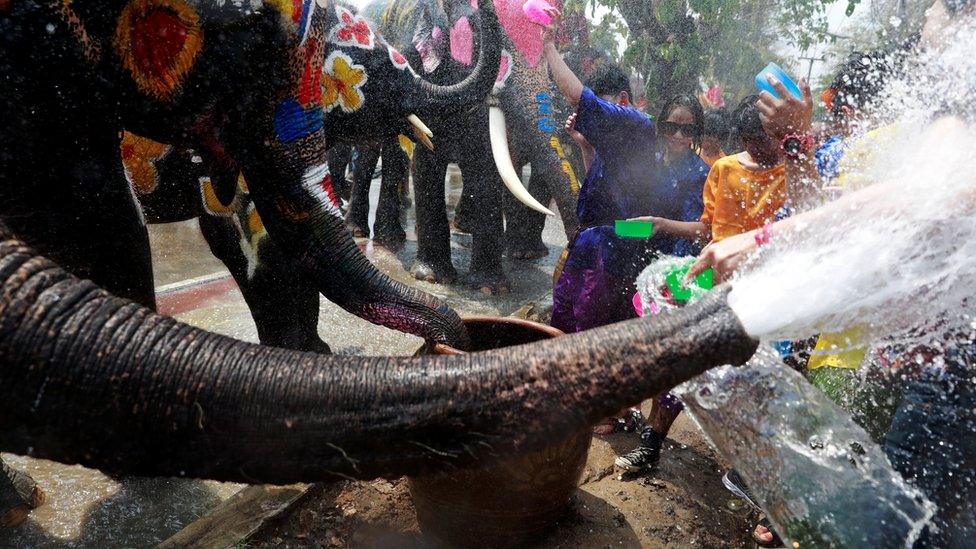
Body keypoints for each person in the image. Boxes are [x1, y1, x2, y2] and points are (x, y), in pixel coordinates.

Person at [690, 2, 976, 544]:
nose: (926, 21)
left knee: (887, 521)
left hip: (897, 361)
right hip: (883, 351)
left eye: (936, 7)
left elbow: (931, 197)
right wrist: (797, 143)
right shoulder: (900, 128)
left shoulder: (936, 120)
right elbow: (822, 214)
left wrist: (764, 237)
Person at [541, 9, 709, 435]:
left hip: (650, 262)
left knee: (614, 336)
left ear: (698, 133)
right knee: (573, 318)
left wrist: (547, 49)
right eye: (670, 126)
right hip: (604, 243)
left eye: (686, 131)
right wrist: (584, 145)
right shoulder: (639, 139)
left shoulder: (699, 172)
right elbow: (602, 184)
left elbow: (701, 228)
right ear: (659, 123)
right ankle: (574, 398)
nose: (676, 136)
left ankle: (609, 409)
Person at [614, 96, 786, 473]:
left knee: (751, 379)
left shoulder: (791, 173)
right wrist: (663, 224)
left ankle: (748, 469)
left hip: (763, 292)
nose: (765, 148)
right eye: (756, 140)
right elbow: (705, 227)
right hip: (711, 283)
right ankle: (651, 443)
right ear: (743, 136)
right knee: (676, 359)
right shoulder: (724, 169)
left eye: (772, 138)